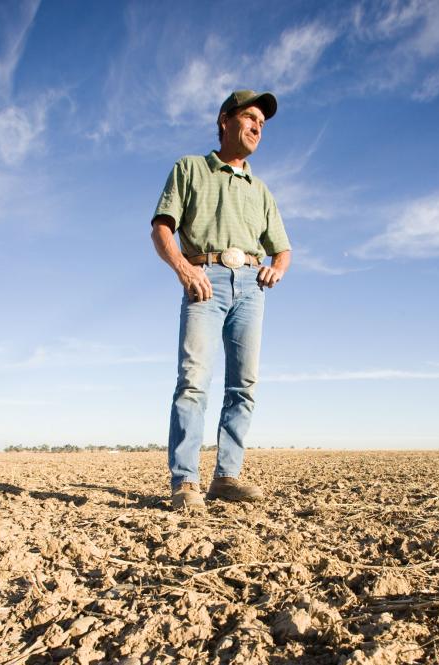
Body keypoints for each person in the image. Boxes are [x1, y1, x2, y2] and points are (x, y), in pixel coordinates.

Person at [151, 89, 291, 512]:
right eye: (250, 118)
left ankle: (227, 477)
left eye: (262, 125)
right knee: (193, 380)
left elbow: (282, 248)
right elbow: (162, 227)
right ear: (225, 120)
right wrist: (184, 268)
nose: (257, 128)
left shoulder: (261, 190)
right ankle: (186, 482)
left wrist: (276, 268)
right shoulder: (191, 168)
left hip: (251, 287)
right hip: (204, 280)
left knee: (243, 386)